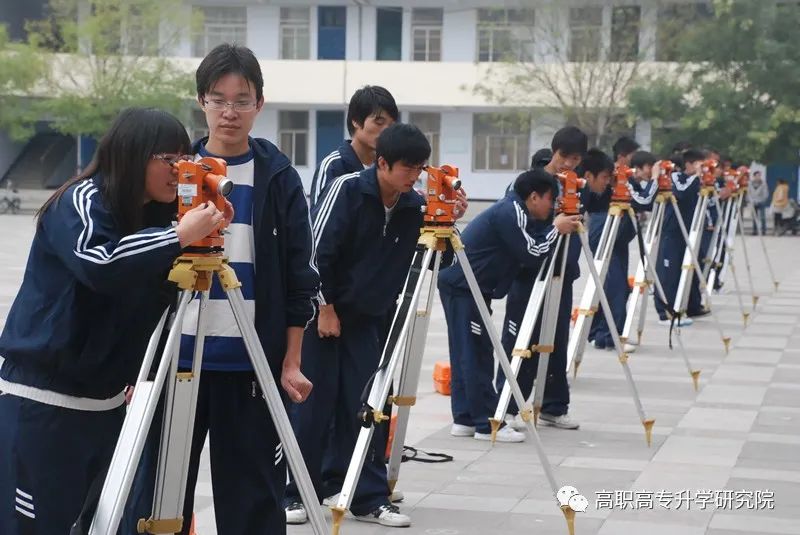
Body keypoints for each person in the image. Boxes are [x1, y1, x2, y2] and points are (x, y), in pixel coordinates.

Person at [0, 107, 228, 534]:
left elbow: (159, 303)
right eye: (169, 159)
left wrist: (193, 237)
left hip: (105, 406)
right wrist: (178, 236)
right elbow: (99, 264)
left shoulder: (157, 217)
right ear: (132, 154)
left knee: (96, 524)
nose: (179, 170)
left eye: (185, 159)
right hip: (43, 404)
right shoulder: (82, 199)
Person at [124, 43, 319, 535]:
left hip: (251, 363)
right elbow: (141, 267)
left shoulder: (279, 177)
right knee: (159, 499)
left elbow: (300, 277)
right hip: (177, 360)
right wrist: (132, 365)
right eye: (218, 99)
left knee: (253, 501)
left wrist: (291, 360)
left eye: (241, 100)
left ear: (259, 104)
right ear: (202, 102)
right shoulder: (174, 173)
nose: (229, 112)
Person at [285, 123, 467, 527]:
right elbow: (314, 252)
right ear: (382, 163)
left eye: (419, 168)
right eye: (407, 167)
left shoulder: (414, 206)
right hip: (323, 314)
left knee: (369, 406)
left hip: (372, 321)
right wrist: (325, 307)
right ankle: (297, 491)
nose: (414, 176)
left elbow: (441, 262)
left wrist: (447, 223)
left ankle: (367, 496)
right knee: (313, 407)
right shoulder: (347, 190)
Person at [440, 167, 580, 443]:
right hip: (466, 287)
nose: (552, 207)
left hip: (466, 286)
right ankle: (486, 424)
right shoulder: (512, 211)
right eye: (550, 199)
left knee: (467, 351)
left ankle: (465, 418)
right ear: (534, 197)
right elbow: (532, 252)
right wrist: (556, 228)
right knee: (476, 353)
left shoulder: (513, 209)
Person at [498, 126, 588, 431]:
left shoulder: (576, 185)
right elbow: (515, 224)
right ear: (554, 151)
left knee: (557, 341)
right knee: (520, 340)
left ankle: (554, 406)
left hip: (561, 274)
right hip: (529, 273)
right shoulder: (528, 183)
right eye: (565, 157)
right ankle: (509, 405)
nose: (569, 164)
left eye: (575, 159)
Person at [309, 86, 398, 206]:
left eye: (391, 125)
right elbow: (319, 216)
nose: (386, 131)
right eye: (379, 122)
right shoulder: (332, 167)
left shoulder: (388, 167)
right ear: (356, 120)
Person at [654, 148, 707, 326]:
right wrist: (697, 176)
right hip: (672, 233)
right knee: (669, 274)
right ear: (689, 164)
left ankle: (681, 308)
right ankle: (666, 312)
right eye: (699, 164)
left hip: (686, 233)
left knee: (682, 273)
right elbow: (682, 192)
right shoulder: (676, 177)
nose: (702, 168)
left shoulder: (694, 180)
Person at [748, 171, 769, 235]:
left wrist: (762, 200)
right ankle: (755, 231)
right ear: (754, 176)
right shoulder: (750, 183)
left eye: (759, 176)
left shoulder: (763, 183)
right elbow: (748, 193)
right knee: (754, 217)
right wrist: (751, 200)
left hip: (761, 201)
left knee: (762, 217)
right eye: (756, 176)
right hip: (753, 202)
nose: (758, 177)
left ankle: (763, 230)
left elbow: (765, 193)